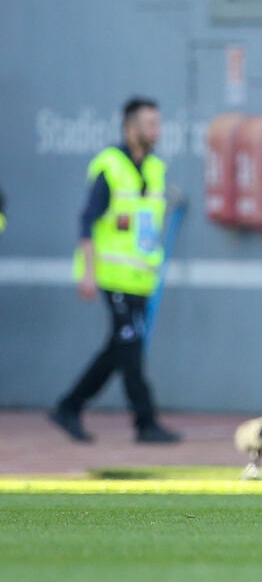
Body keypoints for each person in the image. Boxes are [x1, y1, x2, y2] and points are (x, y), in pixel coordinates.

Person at [49, 97, 181, 444]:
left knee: (119, 349)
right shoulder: (110, 167)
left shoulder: (154, 169)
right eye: (150, 124)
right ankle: (145, 421)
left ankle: (69, 406)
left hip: (140, 279)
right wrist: (88, 273)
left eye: (158, 123)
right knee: (131, 345)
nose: (157, 130)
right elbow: (87, 221)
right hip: (112, 276)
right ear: (130, 127)